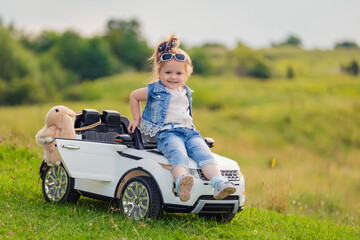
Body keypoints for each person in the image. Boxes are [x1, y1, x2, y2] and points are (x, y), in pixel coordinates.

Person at [128, 35, 236, 202]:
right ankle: (182, 182)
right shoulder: (155, 90)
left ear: (187, 74)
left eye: (178, 73)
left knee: (204, 154)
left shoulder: (186, 91)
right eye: (168, 72)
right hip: (167, 133)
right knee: (178, 153)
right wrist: (137, 119)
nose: (173, 77)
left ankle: (219, 182)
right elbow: (134, 96)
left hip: (190, 133)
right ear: (159, 72)